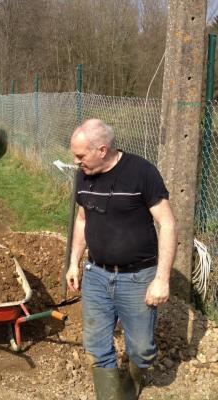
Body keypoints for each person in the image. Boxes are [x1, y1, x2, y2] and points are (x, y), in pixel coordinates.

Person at [66, 119, 177, 400]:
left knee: (141, 350)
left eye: (81, 156)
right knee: (96, 345)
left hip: (137, 277)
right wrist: (73, 262)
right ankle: (111, 396)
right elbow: (82, 220)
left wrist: (162, 279)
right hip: (96, 274)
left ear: (102, 150)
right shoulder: (83, 175)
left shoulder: (142, 173)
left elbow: (167, 223)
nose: (77, 162)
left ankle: (131, 383)